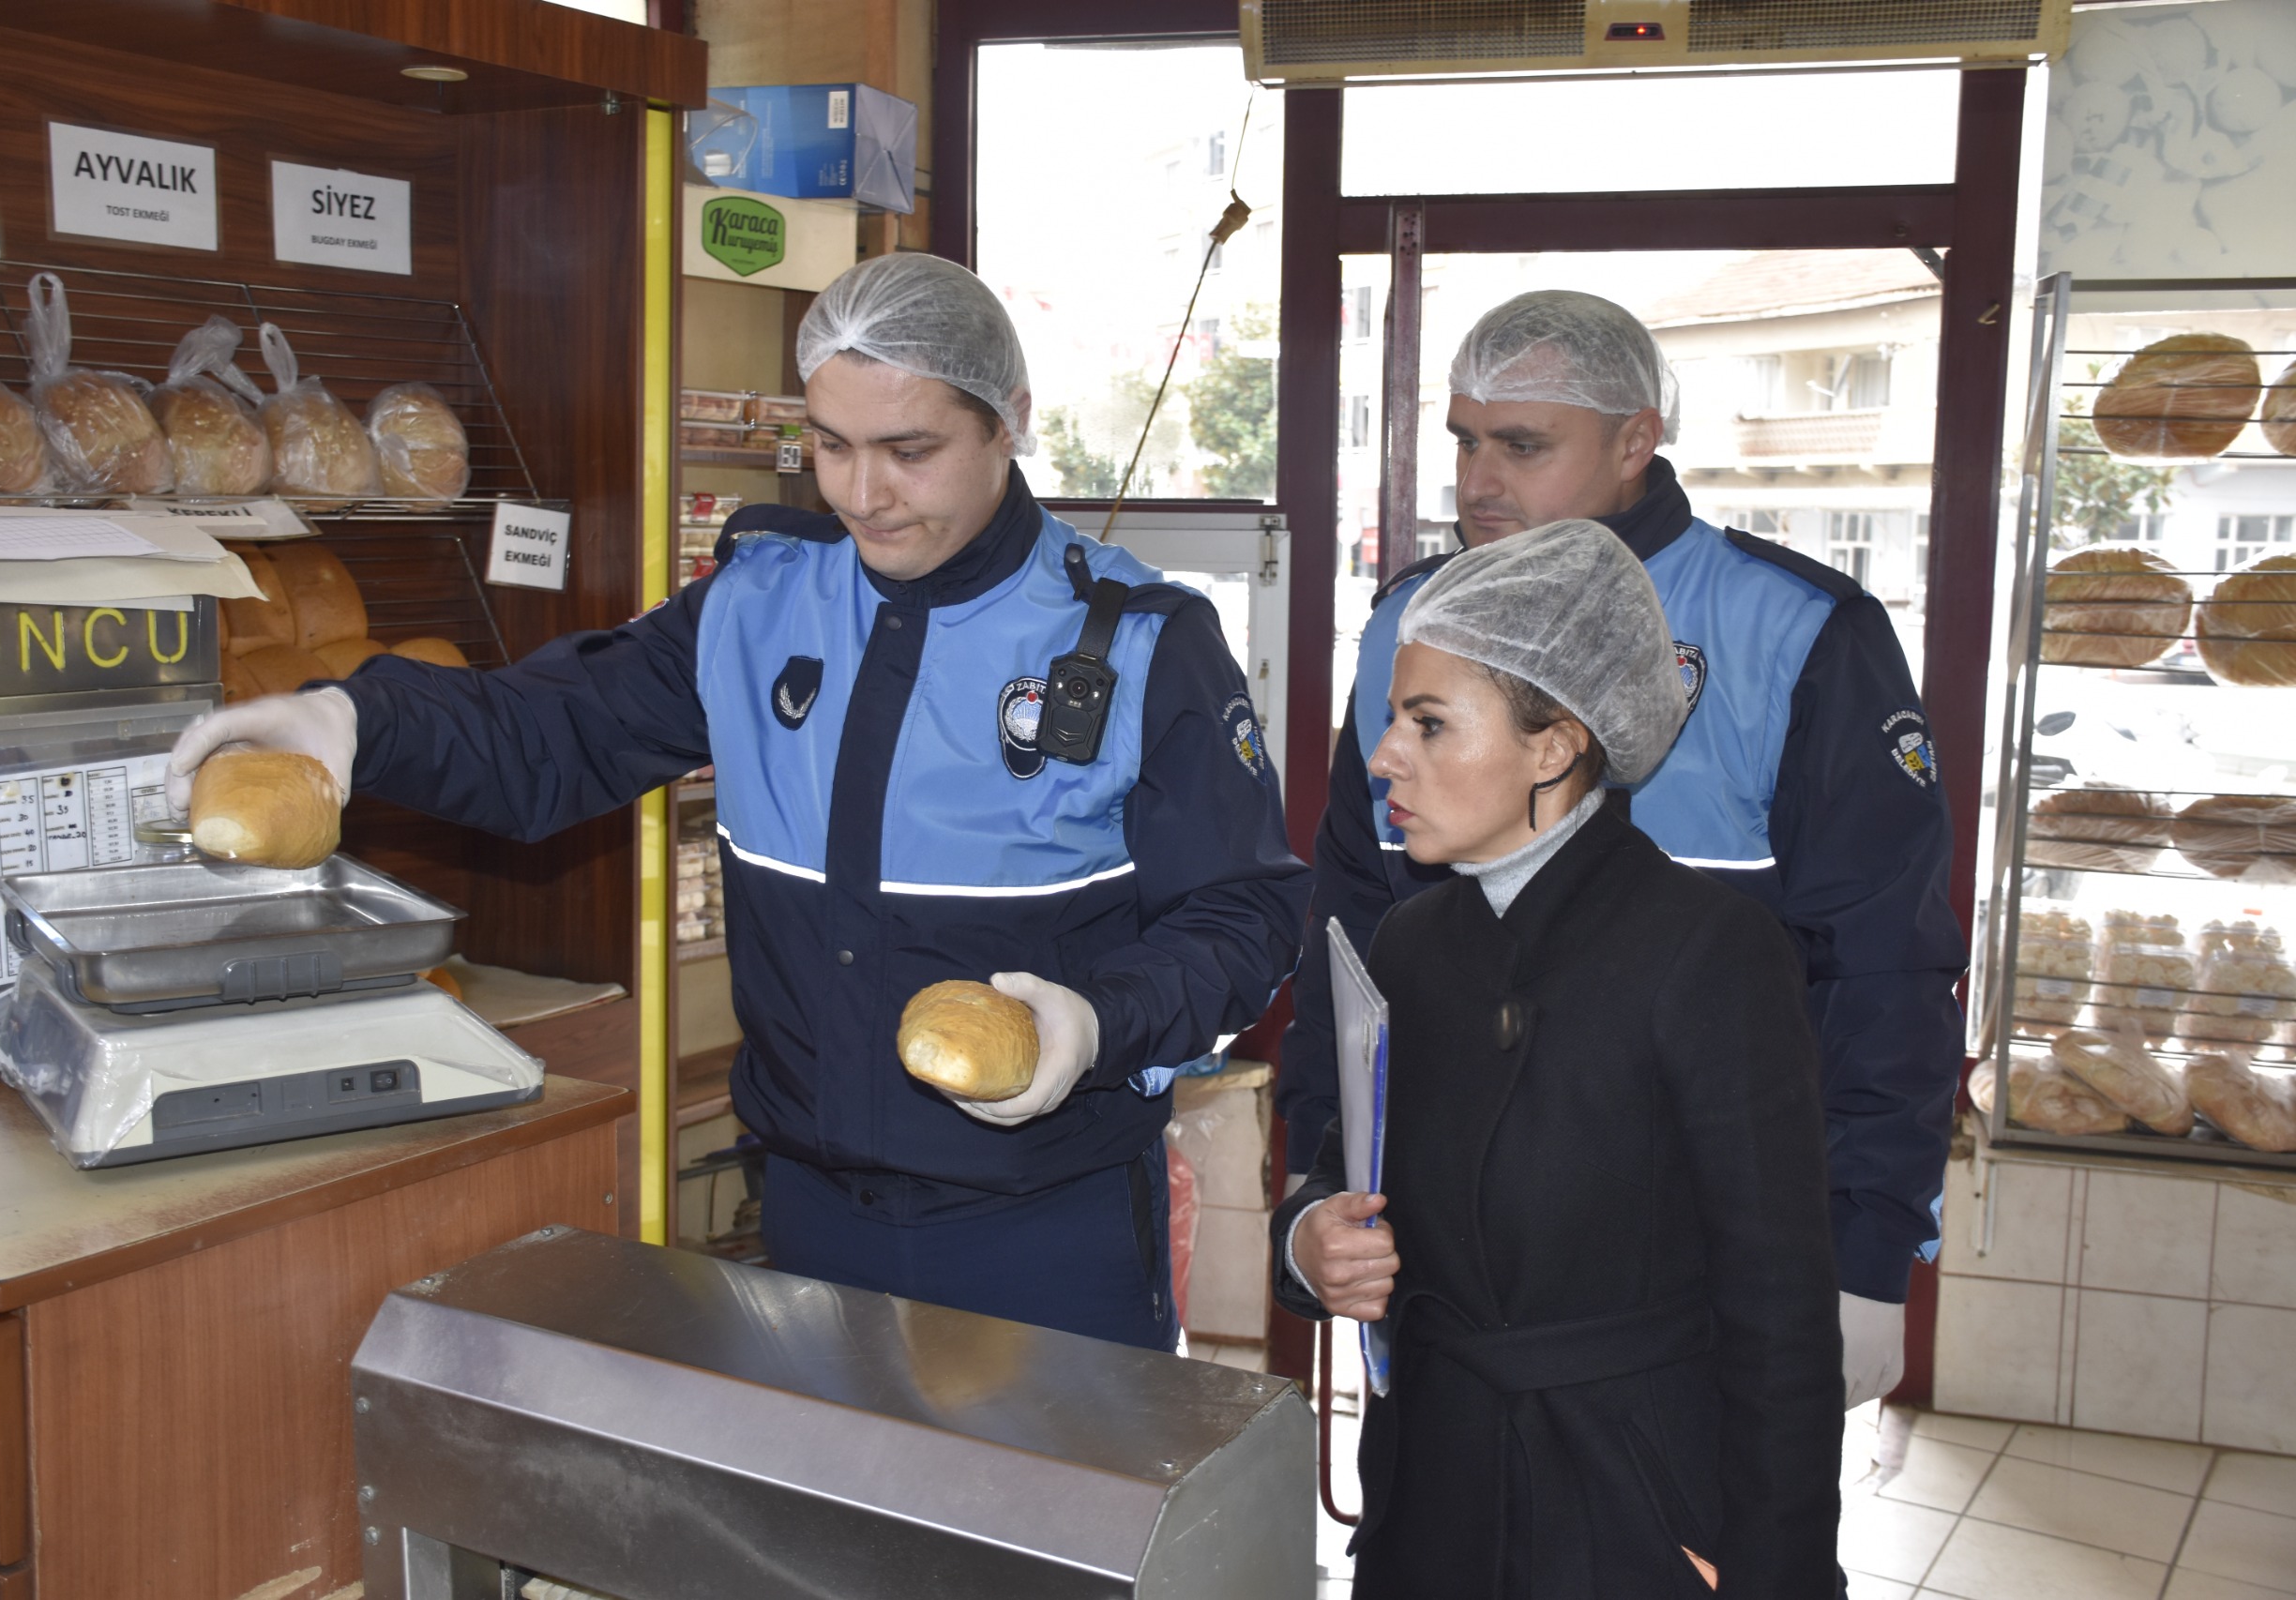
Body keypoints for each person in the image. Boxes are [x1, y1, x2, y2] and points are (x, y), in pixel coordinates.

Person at [167, 252, 1309, 1351]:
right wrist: (356, 720)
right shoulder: (757, 601)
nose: (865, 494)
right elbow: (545, 732)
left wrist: (1093, 1020)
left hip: (1046, 1226)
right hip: (812, 1215)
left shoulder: (1140, 640)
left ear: (1008, 418)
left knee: (1049, 1542)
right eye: (831, 444)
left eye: (911, 450)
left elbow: (1246, 917)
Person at [1279, 289, 1965, 1407]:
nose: (1478, 480)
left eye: (1521, 444)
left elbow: (1884, 966)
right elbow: (1349, 941)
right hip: (1451, 1236)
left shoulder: (1790, 630)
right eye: (1462, 440)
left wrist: (1866, 1246)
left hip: (1708, 1234)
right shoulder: (1409, 630)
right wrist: (1320, 1182)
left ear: (1636, 438)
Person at [1275, 520, 1845, 1597]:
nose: (1384, 754)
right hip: (1427, 1490)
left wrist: (1777, 1566)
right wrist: (1310, 1242)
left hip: (1622, 1500)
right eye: (1395, 716)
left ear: (1554, 744)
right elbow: (1345, 1172)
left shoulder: (1707, 950)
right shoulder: (1412, 939)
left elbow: (1779, 1312)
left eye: (1429, 722)